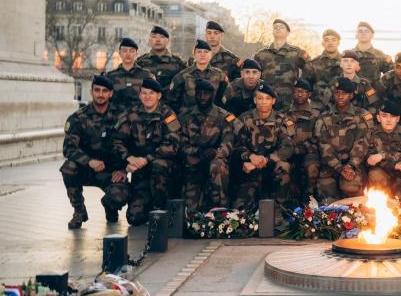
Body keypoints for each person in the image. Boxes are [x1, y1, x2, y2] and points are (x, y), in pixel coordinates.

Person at [60, 75, 129, 229]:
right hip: (86, 169)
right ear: (91, 92)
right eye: (97, 90)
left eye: (105, 91)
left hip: (112, 172)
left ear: (110, 93)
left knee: (120, 196)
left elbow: (130, 144)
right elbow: (68, 148)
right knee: (68, 168)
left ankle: (109, 205)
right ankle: (79, 211)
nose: (100, 94)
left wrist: (124, 169)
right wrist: (89, 161)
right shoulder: (78, 117)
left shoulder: (122, 116)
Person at [113, 78, 180, 226]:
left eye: (151, 93)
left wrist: (145, 159)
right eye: (144, 93)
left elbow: (173, 144)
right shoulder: (131, 114)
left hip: (163, 173)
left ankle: (160, 210)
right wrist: (129, 159)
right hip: (141, 172)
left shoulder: (168, 114)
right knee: (134, 218)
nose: (147, 96)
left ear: (159, 96)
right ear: (140, 96)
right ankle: (147, 204)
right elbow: (117, 141)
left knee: (159, 164)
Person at [230, 82, 295, 210]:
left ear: (273, 101)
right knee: (240, 210)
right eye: (260, 98)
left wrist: (265, 160)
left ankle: (280, 209)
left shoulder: (282, 120)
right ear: (255, 100)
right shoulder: (244, 119)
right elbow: (236, 146)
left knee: (284, 166)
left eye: (267, 98)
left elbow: (287, 148)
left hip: (272, 168)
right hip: (249, 169)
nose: (263, 102)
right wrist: (250, 156)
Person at [178, 79, 236, 213]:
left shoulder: (223, 116)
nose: (202, 97)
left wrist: (215, 153)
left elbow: (228, 142)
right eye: (199, 94)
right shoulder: (185, 117)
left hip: (216, 164)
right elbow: (180, 143)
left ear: (213, 95)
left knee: (217, 165)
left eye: (206, 94)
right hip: (194, 165)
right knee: (191, 212)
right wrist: (199, 152)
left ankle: (222, 210)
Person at [313, 77, 374, 203]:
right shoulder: (324, 118)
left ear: (351, 95)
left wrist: (350, 166)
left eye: (344, 93)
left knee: (352, 196)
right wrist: (340, 168)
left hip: (353, 165)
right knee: (328, 204)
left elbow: (361, 144)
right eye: (337, 93)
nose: (340, 96)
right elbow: (324, 147)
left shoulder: (362, 116)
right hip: (331, 166)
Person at [364, 102, 401, 200]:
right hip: (381, 173)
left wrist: (383, 156)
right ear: (378, 118)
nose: (388, 120)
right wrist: (394, 164)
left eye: (392, 116)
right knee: (375, 175)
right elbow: (370, 159)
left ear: (397, 119)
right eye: (384, 116)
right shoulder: (371, 133)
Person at [254, 18, 311, 110]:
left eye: (281, 27)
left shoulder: (297, 53)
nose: (278, 29)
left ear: (288, 32)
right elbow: (253, 74)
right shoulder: (261, 54)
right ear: (272, 32)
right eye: (275, 27)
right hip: (267, 100)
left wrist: (301, 85)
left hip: (290, 101)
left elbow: (310, 69)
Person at [282, 78, 322, 201]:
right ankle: (284, 202)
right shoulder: (284, 112)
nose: (299, 94)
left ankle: (309, 200)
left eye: (303, 91)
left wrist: (301, 149)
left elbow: (319, 138)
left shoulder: (318, 113)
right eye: (296, 91)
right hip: (289, 153)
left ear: (309, 94)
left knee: (312, 168)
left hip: (310, 153)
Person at [168, 40, 228, 112]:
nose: (202, 55)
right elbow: (172, 102)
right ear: (194, 55)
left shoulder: (220, 75)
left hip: (212, 119)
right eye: (199, 52)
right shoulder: (182, 76)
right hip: (188, 119)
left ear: (211, 55)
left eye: (206, 52)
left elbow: (226, 99)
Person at [136, 26, 186, 105]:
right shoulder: (140, 63)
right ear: (149, 40)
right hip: (145, 112)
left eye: (162, 37)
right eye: (154, 37)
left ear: (168, 40)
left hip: (171, 110)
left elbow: (184, 90)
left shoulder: (178, 64)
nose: (158, 40)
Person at [104, 37, 154, 112]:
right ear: (120, 53)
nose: (128, 54)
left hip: (140, 119)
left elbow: (153, 100)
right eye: (124, 51)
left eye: (131, 51)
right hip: (116, 119)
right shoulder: (110, 77)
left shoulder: (146, 75)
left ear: (136, 54)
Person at [307, 29, 343, 105]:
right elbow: (306, 86)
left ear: (338, 43)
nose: (330, 43)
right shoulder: (313, 63)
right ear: (323, 43)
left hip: (340, 106)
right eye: (327, 40)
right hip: (318, 107)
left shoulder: (346, 62)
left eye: (333, 40)